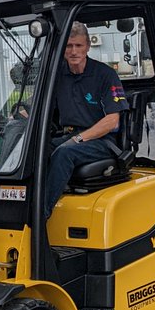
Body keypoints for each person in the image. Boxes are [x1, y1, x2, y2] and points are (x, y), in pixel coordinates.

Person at [44, 22, 129, 219]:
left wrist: (80, 138)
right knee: (37, 150)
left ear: (88, 46)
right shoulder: (57, 75)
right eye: (69, 46)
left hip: (101, 141)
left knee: (64, 153)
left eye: (78, 46)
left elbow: (112, 120)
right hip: (68, 135)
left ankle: (40, 214)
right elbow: (44, 107)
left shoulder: (105, 75)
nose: (73, 51)